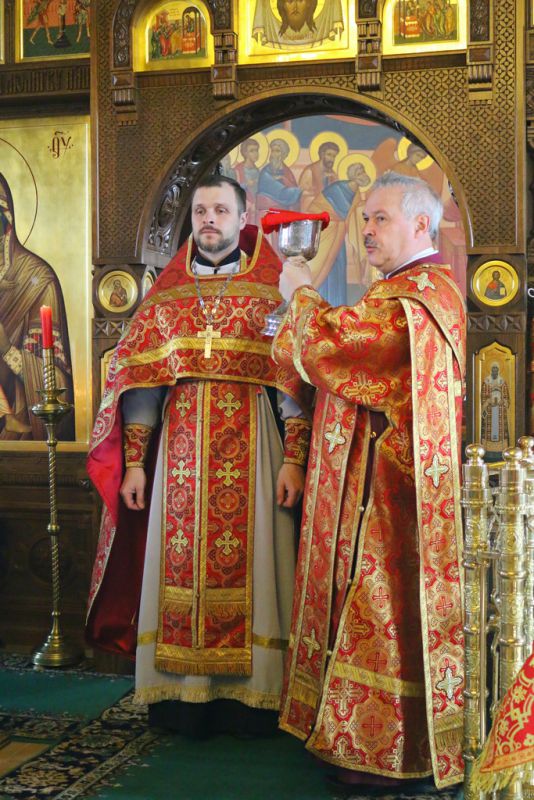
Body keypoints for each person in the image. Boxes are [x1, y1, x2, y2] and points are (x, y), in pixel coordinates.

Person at [86, 175, 313, 737]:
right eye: (201, 211)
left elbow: (293, 380)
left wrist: (294, 458)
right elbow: (142, 384)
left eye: (220, 210)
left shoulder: (273, 290)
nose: (209, 219)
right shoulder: (165, 298)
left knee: (258, 562)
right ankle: (181, 699)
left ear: (242, 219)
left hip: (254, 448)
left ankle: (252, 700)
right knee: (176, 564)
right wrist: (134, 463)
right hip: (179, 454)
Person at [273, 171, 466, 791]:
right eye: (364, 220)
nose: (367, 230)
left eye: (381, 218)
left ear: (421, 224)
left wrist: (302, 296)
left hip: (389, 493)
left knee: (379, 608)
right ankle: (343, 736)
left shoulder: (420, 297)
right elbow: (319, 360)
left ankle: (383, 752)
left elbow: (341, 348)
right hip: (362, 485)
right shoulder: (396, 292)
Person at [0, 173, 74, 440]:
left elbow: (56, 384)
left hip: (19, 439)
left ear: (5, 219)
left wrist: (7, 350)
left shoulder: (37, 280)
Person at [299, 141, 340, 212]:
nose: (331, 159)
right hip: (311, 206)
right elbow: (302, 192)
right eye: (329, 155)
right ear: (322, 154)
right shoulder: (310, 171)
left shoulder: (333, 174)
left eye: (334, 156)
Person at [480, 362, 510, 454]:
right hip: (489, 411)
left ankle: (502, 450)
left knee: (500, 430)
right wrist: (488, 401)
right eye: (493, 369)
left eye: (496, 370)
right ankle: (487, 450)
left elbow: (506, 397)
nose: (494, 371)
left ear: (498, 370)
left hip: (500, 411)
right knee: (488, 430)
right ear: (491, 370)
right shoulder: (486, 382)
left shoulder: (502, 382)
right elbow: (483, 397)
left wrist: (503, 401)